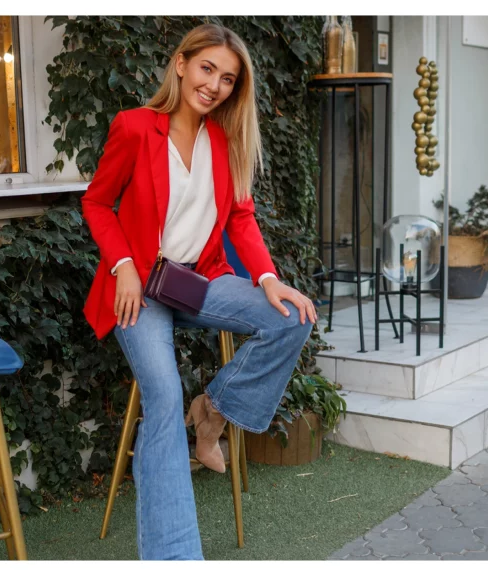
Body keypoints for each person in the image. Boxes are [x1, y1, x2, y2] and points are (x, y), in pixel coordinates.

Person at [80, 23, 316, 560]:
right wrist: (122, 266)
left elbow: (240, 218)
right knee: (162, 402)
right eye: (207, 68)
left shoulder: (225, 139)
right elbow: (97, 203)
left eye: (228, 78)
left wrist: (269, 278)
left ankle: (212, 411)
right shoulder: (136, 128)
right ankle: (174, 558)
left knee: (291, 317)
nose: (214, 85)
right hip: (139, 291)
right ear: (181, 64)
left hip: (198, 282)